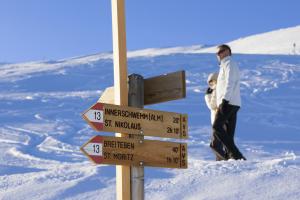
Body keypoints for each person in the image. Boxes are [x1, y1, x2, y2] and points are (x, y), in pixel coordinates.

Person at [211, 44, 246, 160]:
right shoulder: (224, 65)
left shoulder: (229, 63)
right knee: (229, 134)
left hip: (228, 102)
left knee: (217, 126)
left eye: (221, 51)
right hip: (233, 102)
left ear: (228, 52)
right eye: (217, 53)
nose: (219, 54)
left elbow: (231, 82)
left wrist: (225, 100)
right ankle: (232, 157)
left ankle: (237, 156)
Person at [205, 72, 228, 161]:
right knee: (222, 144)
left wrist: (207, 96)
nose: (211, 84)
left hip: (218, 121)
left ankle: (225, 161)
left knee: (215, 144)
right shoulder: (223, 88)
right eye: (210, 82)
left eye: (212, 81)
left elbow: (212, 105)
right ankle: (220, 163)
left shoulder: (217, 89)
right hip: (223, 120)